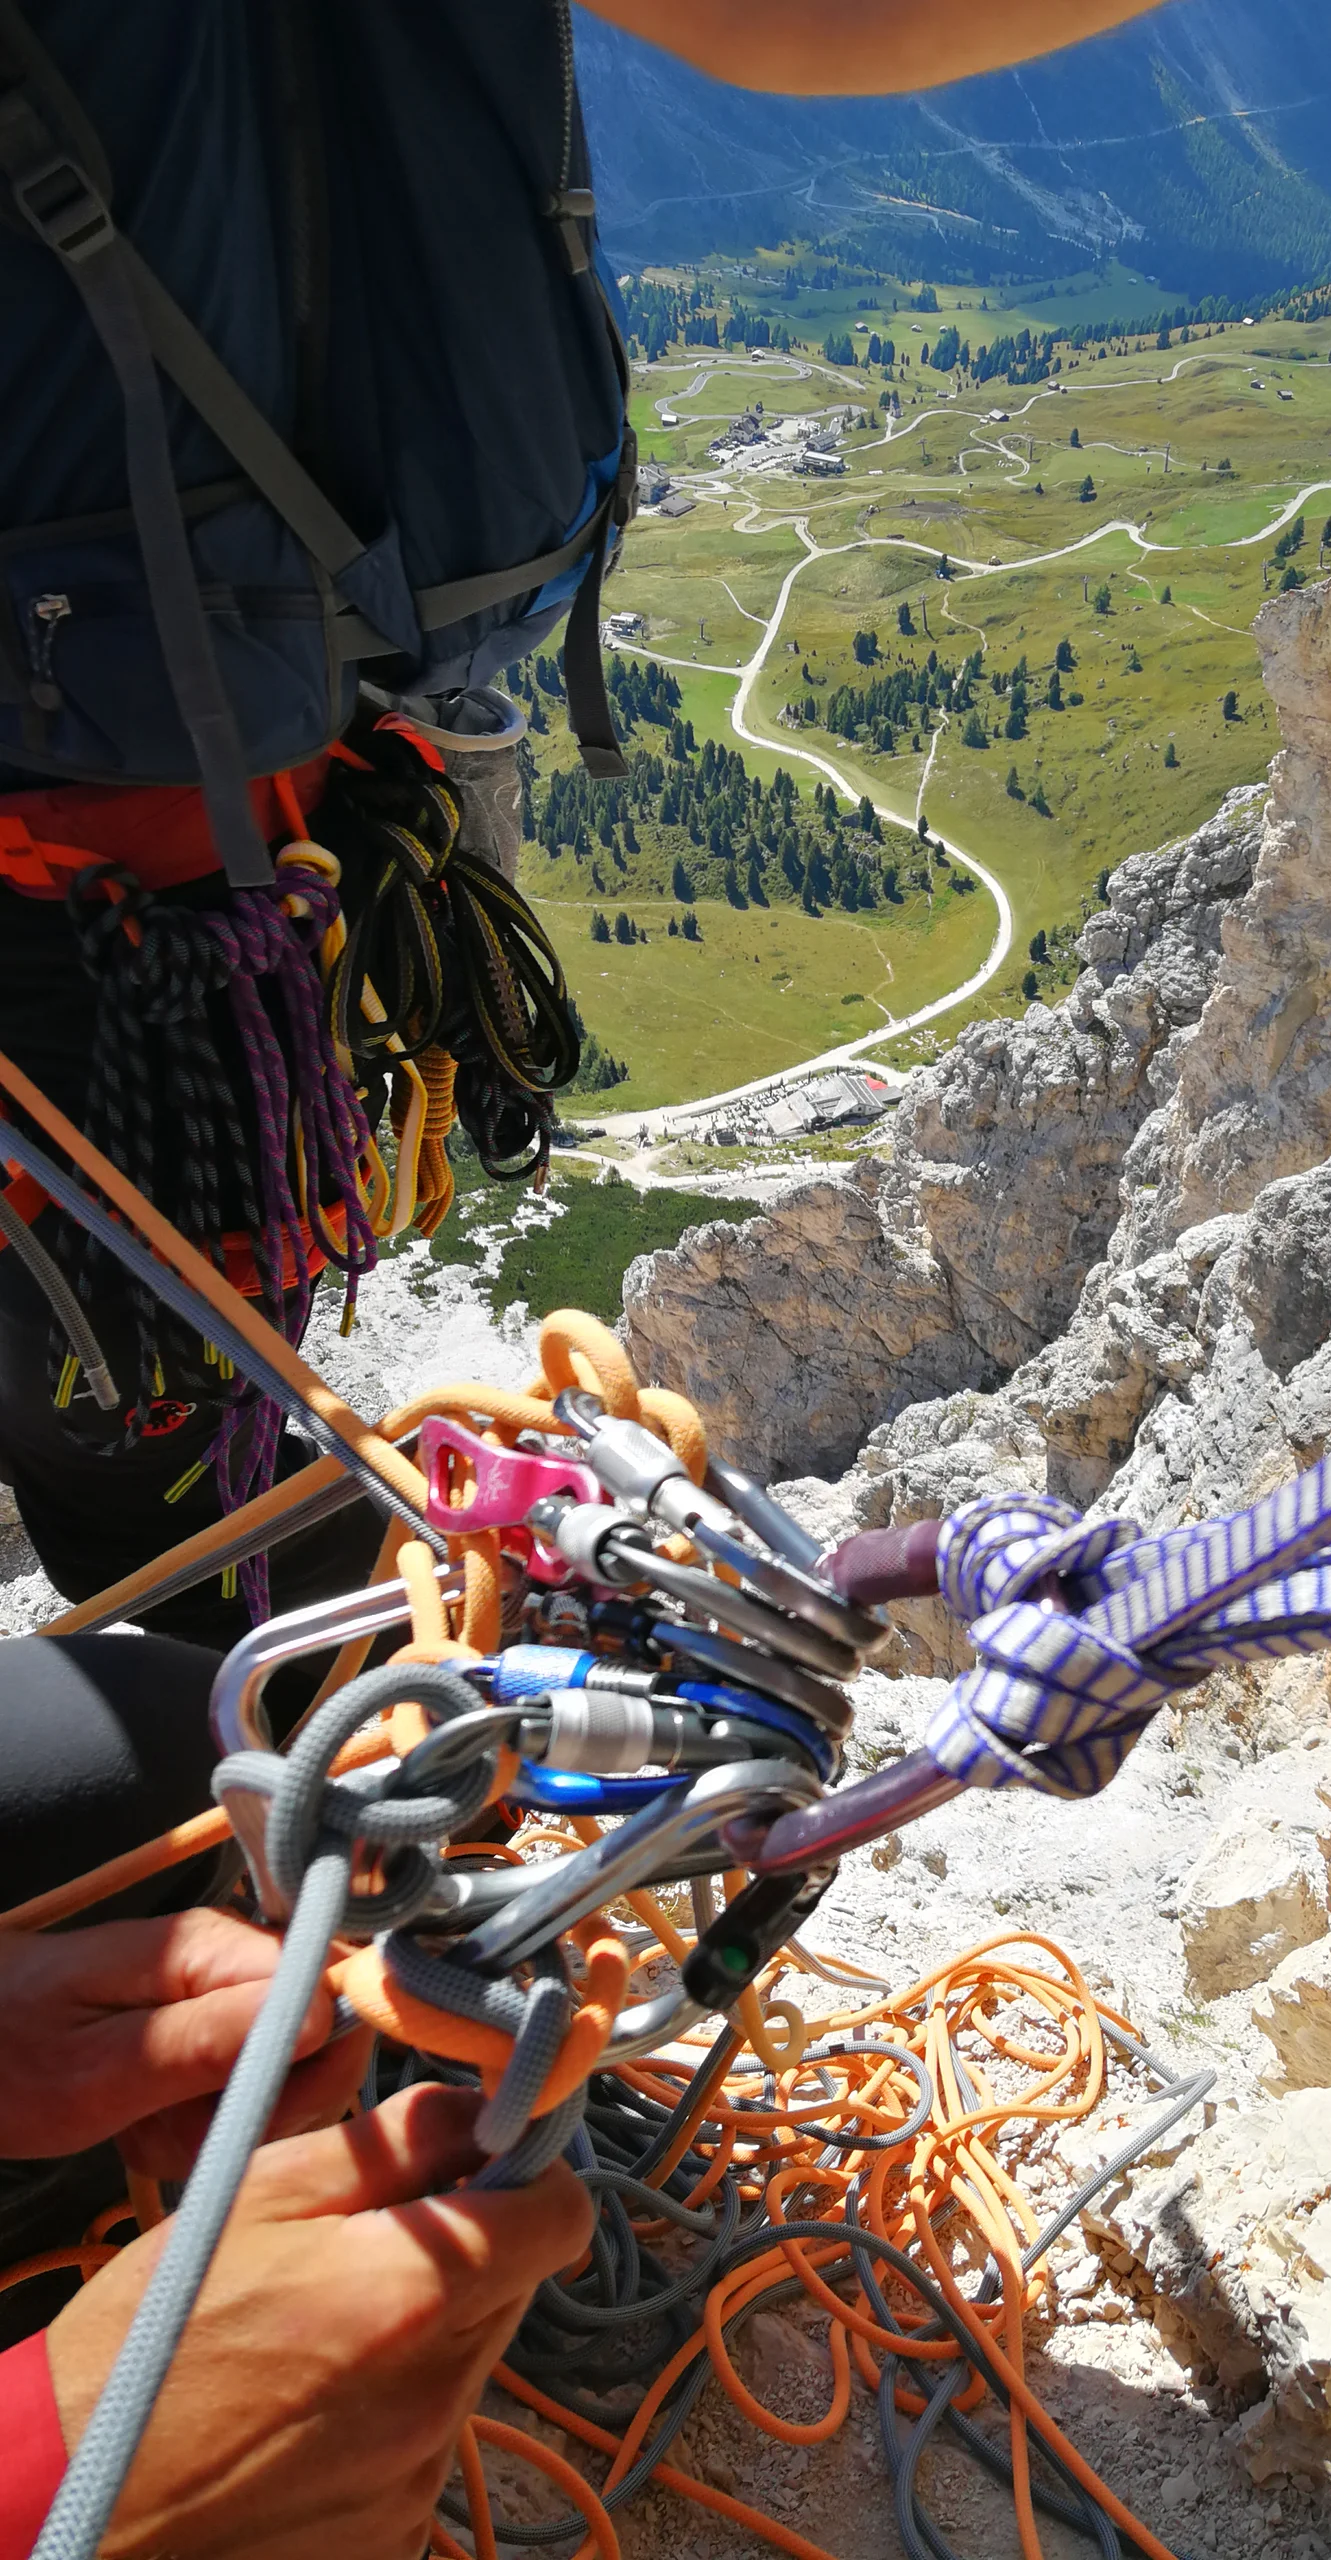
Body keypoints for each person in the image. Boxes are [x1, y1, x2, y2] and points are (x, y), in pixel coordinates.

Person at [0, 12, 1163, 2560]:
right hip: (152, 821)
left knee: (213, 1719)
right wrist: (60, 2472)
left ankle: (354, 2060)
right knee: (230, 1701)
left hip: (184, 847)